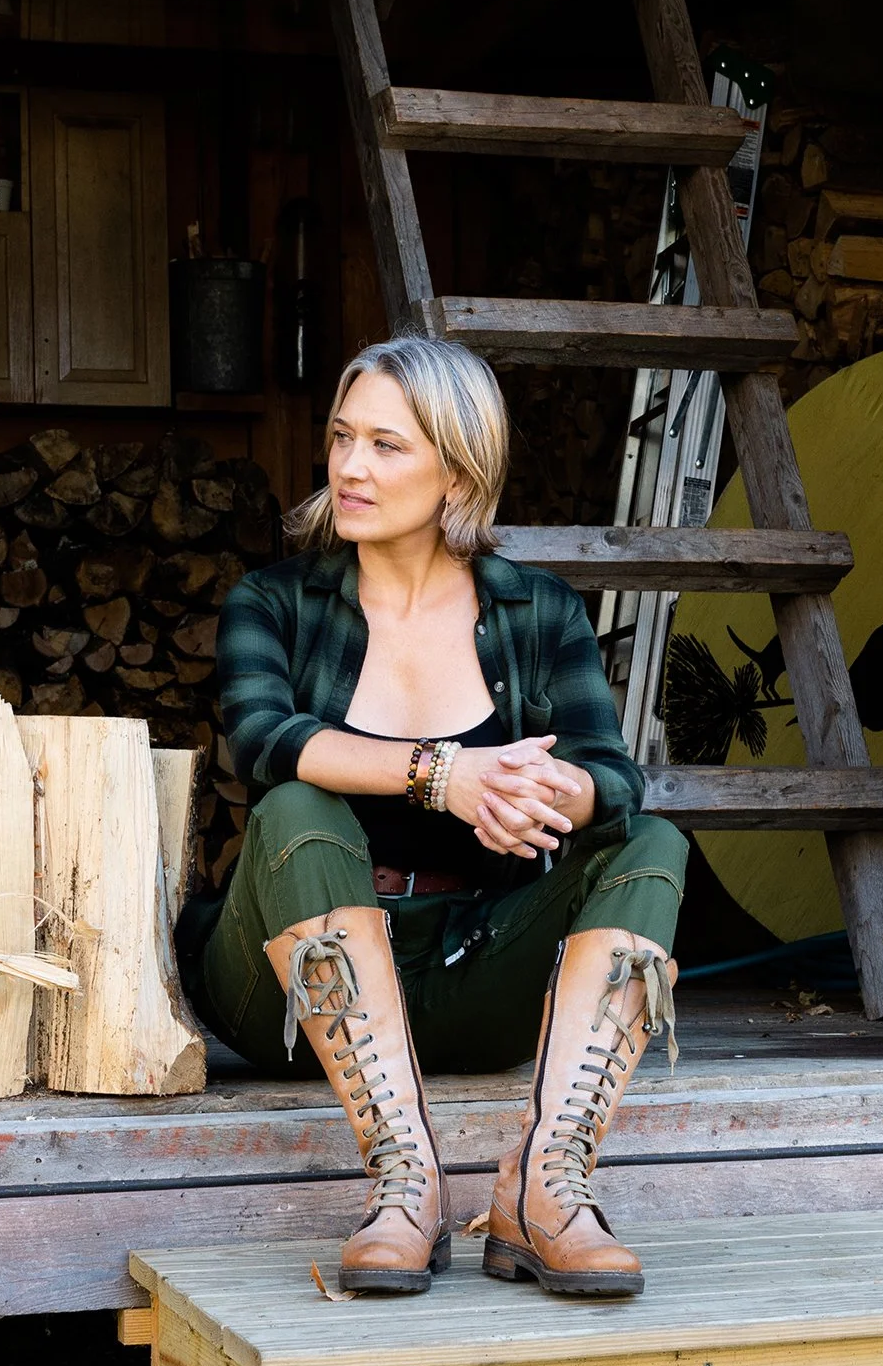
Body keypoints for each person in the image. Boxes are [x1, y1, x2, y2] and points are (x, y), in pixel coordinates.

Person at [192, 336, 686, 1299]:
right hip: (287, 993)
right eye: (342, 438)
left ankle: (544, 1188)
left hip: (469, 966)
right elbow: (260, 738)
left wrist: (540, 794)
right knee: (298, 803)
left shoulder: (535, 611)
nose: (349, 467)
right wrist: (442, 775)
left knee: (651, 841)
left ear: (458, 469)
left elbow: (611, 776)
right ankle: (405, 1187)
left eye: (386, 445)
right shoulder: (278, 601)